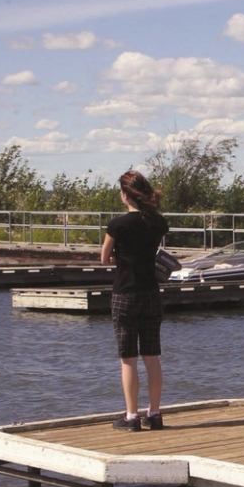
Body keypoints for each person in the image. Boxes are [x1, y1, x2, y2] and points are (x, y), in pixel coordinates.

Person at [101, 170, 170, 430]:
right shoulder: (158, 222)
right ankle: (155, 414)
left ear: (125, 195)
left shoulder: (117, 225)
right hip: (151, 293)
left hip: (125, 294)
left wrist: (123, 257)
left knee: (128, 358)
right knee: (152, 356)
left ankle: (132, 416)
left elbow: (104, 257)